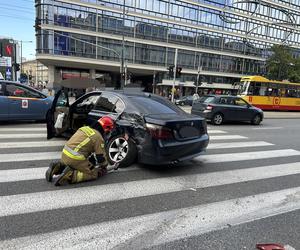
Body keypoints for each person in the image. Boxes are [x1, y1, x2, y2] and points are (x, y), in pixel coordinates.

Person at [45, 116, 116, 186]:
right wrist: (104, 166)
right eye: (109, 131)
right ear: (106, 128)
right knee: (94, 173)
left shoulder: (84, 128)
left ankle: (57, 167)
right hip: (74, 158)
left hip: (64, 154)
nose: (109, 133)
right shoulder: (98, 137)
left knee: (76, 164)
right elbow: (101, 158)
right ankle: (70, 176)